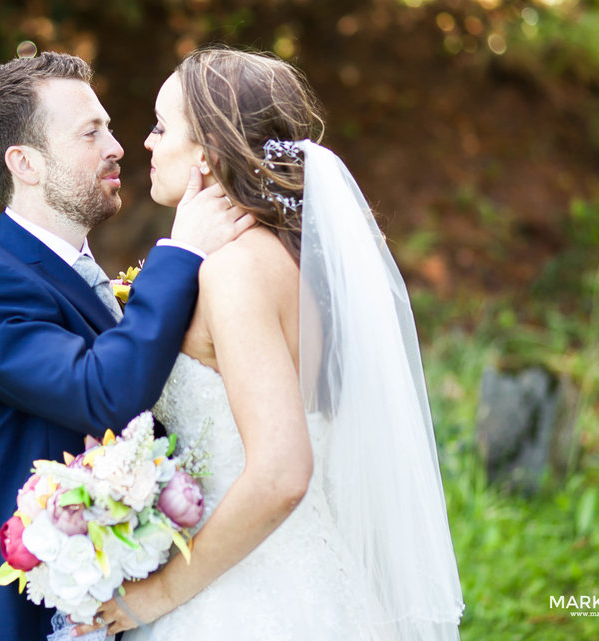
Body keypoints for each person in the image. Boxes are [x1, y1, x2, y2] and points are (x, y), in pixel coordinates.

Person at [73, 47, 465, 640]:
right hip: (305, 572)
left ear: (205, 151)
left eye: (160, 127)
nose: (145, 144)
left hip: (242, 599)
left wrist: (155, 597)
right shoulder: (296, 262)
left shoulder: (234, 272)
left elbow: (282, 471)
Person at [0, 52, 254, 641]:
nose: (118, 146)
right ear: (24, 163)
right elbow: (103, 392)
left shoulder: (71, 271)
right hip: (24, 621)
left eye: (107, 126)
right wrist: (180, 255)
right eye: (89, 132)